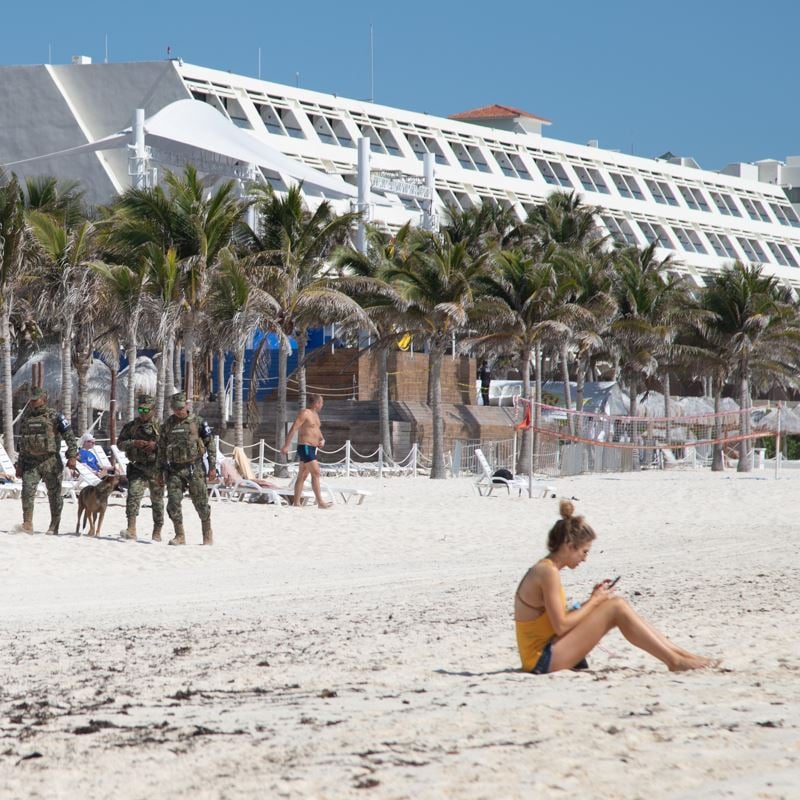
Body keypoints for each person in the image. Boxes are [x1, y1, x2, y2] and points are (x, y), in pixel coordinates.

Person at [514, 499, 717, 674]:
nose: (584, 559)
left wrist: (593, 600)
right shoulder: (547, 572)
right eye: (584, 552)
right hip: (540, 660)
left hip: (549, 649)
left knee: (616, 603)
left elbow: (557, 620)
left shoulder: (547, 569)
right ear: (569, 546)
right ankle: (675, 661)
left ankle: (681, 655)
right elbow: (561, 625)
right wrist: (594, 601)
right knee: (616, 606)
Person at [14, 387, 77, 535]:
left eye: (36, 398)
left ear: (44, 399)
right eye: (32, 399)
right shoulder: (27, 417)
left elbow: (70, 436)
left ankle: (54, 525)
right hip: (31, 462)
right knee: (27, 492)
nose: (33, 401)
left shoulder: (55, 416)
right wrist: (20, 465)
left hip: (51, 462)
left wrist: (72, 456)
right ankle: (27, 523)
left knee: (54, 494)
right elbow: (23, 443)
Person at [157, 391, 217, 546]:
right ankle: (180, 535)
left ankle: (207, 534)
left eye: (181, 408)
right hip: (175, 470)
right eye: (176, 408)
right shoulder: (168, 425)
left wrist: (212, 467)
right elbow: (161, 450)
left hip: (194, 467)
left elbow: (210, 444)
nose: (179, 411)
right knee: (173, 503)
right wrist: (159, 472)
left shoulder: (198, 421)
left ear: (187, 405)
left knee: (201, 503)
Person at [117, 393, 165, 542]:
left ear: (153, 410)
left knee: (157, 500)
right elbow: (120, 444)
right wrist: (133, 443)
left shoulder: (161, 427)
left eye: (146, 410)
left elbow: (170, 446)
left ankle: (157, 531)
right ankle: (131, 528)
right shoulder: (131, 427)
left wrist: (155, 446)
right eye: (141, 410)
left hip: (155, 468)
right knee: (133, 496)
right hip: (137, 467)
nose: (143, 413)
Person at [280, 393, 331, 508]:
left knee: (302, 475)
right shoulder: (305, 413)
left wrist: (322, 439)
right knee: (316, 473)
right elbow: (294, 428)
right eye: (321, 402)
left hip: (312, 447)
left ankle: (296, 503)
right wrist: (286, 446)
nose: (322, 404)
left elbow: (316, 430)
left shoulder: (315, 415)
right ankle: (320, 502)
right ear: (317, 403)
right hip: (305, 447)